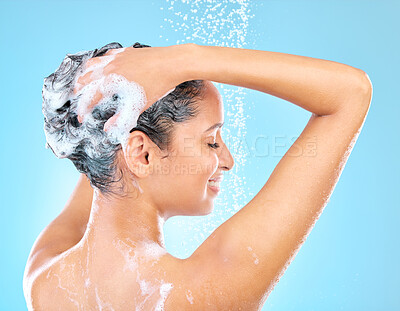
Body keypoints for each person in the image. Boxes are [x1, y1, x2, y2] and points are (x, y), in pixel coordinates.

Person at [23, 42, 372, 310]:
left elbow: (103, 149)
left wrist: (119, 96)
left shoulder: (43, 280)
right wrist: (182, 59)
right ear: (142, 153)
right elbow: (350, 93)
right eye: (211, 141)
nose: (228, 160)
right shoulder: (200, 292)